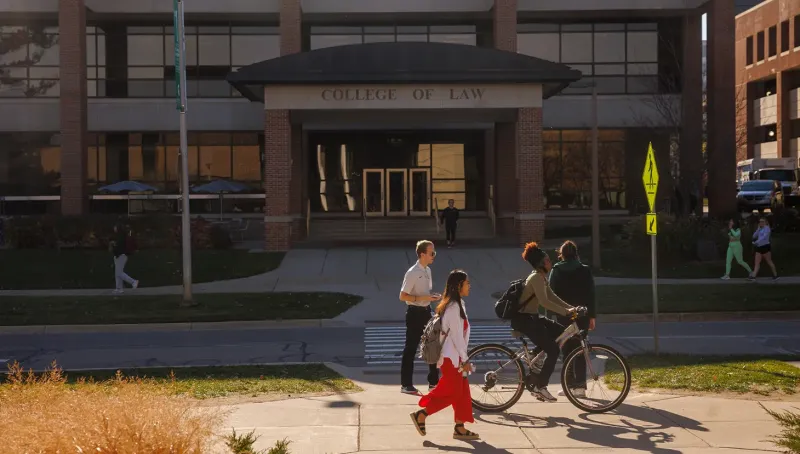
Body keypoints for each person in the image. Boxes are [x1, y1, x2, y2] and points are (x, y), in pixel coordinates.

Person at [410, 269, 479, 441]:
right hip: (452, 359)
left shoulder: (459, 304)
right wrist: (465, 359)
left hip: (455, 358)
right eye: (466, 283)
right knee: (451, 392)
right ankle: (422, 414)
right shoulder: (453, 308)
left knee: (462, 392)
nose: (469, 285)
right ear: (458, 286)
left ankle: (460, 427)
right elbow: (456, 337)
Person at [510, 242, 578, 402]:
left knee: (560, 331)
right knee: (553, 350)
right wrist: (565, 312)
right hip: (524, 320)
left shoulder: (541, 277)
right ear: (541, 263)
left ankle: (535, 357)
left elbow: (552, 297)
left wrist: (571, 308)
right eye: (547, 260)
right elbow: (545, 302)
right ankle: (541, 386)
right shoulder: (536, 278)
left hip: (532, 318)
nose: (550, 262)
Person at [548, 240, 595, 397]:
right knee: (581, 349)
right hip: (582, 314)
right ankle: (580, 387)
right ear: (576, 253)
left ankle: (568, 385)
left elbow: (550, 294)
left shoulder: (556, 270)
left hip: (563, 315)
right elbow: (591, 294)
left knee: (566, 349)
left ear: (562, 254)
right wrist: (592, 316)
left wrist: (550, 316)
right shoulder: (585, 270)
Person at [398, 240, 441, 395]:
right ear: (422, 254)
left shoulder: (427, 271)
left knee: (433, 344)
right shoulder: (412, 273)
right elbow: (403, 296)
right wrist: (423, 298)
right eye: (431, 253)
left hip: (426, 311)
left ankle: (433, 382)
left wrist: (430, 298)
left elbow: (424, 293)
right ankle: (406, 384)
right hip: (414, 312)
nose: (434, 255)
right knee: (411, 347)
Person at [111, 223, 139, 294]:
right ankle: (119, 288)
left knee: (119, 273)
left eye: (115, 227)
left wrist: (114, 247)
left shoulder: (121, 237)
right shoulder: (120, 236)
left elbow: (119, 248)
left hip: (121, 256)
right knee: (117, 273)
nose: (114, 228)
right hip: (119, 256)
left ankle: (133, 281)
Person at [750, 217, 778, 281]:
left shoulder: (767, 229)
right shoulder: (760, 228)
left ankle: (775, 275)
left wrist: (756, 242)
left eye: (762, 221)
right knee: (757, 262)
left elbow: (763, 237)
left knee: (769, 261)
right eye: (760, 222)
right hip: (759, 247)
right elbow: (754, 236)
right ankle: (753, 276)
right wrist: (758, 229)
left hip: (765, 247)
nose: (761, 223)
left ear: (766, 222)